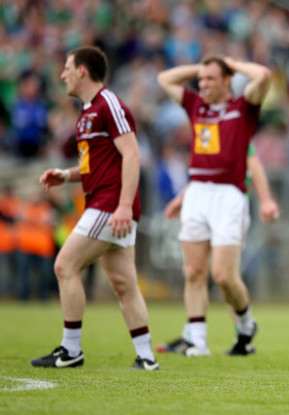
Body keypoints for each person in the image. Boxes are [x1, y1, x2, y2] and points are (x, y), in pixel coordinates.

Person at [31, 46, 159, 370]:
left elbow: (132, 155)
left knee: (65, 266)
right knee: (124, 284)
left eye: (67, 68)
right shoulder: (87, 113)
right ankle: (146, 358)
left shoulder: (109, 103)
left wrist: (124, 206)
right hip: (108, 203)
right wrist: (66, 175)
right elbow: (97, 165)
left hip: (111, 204)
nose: (63, 75)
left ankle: (71, 350)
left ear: (83, 71)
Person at [155, 54, 272, 357]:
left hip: (229, 197)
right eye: (201, 80)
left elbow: (263, 75)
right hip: (197, 193)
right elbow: (164, 79)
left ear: (227, 80)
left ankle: (245, 323)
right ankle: (197, 341)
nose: (203, 84)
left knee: (222, 275)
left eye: (210, 78)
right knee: (193, 271)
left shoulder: (242, 109)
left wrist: (232, 64)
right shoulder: (196, 106)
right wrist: (201, 68)